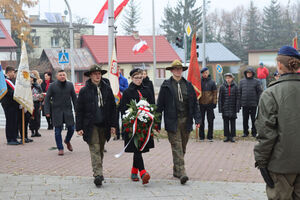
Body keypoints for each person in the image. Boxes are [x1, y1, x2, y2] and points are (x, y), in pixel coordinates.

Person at [254, 46, 300, 199]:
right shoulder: (272, 93)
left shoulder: (271, 93)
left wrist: (261, 162)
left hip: (281, 165)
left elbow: (266, 133)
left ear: (279, 65)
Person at [157, 59, 201, 184]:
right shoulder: (166, 86)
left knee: (183, 147)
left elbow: (194, 104)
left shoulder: (188, 85)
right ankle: (182, 173)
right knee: (177, 147)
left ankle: (177, 170)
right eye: (175, 69)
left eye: (180, 69)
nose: (178, 71)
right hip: (172, 121)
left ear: (182, 70)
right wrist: (157, 123)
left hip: (186, 120)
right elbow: (160, 105)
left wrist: (197, 119)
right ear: (171, 71)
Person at [76, 64, 117, 187]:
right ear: (90, 76)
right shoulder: (84, 90)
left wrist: (114, 125)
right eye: (95, 74)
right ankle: (97, 174)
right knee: (94, 148)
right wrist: (79, 127)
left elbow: (112, 108)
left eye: (99, 74)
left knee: (100, 149)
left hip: (104, 124)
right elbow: (79, 110)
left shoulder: (107, 89)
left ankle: (98, 170)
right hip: (90, 125)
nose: (97, 76)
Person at [119, 68, 155, 185]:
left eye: (140, 78)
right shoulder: (128, 92)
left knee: (139, 148)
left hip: (145, 125)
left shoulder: (147, 90)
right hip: (133, 125)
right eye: (136, 78)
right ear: (132, 78)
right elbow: (123, 109)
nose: (139, 80)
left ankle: (134, 171)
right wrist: (129, 119)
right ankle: (143, 173)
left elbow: (152, 105)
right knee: (137, 148)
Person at [44, 70, 77, 156]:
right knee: (57, 131)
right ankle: (60, 148)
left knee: (71, 128)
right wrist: (47, 111)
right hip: (57, 111)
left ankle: (67, 140)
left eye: (63, 75)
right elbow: (47, 98)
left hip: (68, 110)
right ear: (57, 77)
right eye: (60, 75)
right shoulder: (52, 86)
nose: (62, 76)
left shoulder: (70, 85)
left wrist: (77, 110)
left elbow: (74, 98)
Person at [239, 67, 262, 137]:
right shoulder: (241, 82)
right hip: (244, 104)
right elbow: (239, 92)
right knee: (245, 119)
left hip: (253, 104)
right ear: (246, 73)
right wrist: (240, 102)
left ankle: (254, 132)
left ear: (252, 73)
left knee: (253, 119)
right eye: (247, 73)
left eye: (250, 73)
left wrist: (258, 102)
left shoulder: (257, 82)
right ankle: (245, 132)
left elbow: (259, 92)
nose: (249, 74)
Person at [218, 73, 240, 143]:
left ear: (232, 78)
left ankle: (232, 136)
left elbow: (238, 98)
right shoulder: (222, 87)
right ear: (225, 79)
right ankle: (227, 136)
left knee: (233, 123)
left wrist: (237, 107)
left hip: (233, 108)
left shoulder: (236, 87)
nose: (228, 79)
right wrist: (220, 108)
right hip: (225, 107)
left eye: (229, 78)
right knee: (226, 123)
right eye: (227, 78)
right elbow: (220, 98)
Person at [1, 66, 20, 145]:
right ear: (8, 72)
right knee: (10, 121)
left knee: (14, 121)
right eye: (13, 72)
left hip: (13, 104)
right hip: (9, 104)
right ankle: (10, 139)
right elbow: (9, 93)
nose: (14, 74)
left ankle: (14, 138)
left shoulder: (10, 81)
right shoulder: (5, 81)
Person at [198, 67, 217, 142]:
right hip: (201, 104)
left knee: (210, 121)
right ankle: (201, 136)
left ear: (208, 73)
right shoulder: (199, 82)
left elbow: (215, 93)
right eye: (203, 73)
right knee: (201, 121)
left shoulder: (212, 82)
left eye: (206, 73)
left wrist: (214, 102)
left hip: (210, 104)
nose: (204, 74)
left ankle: (210, 136)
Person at [114, 66, 128, 140]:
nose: (117, 71)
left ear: (120, 70)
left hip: (123, 101)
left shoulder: (124, 79)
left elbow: (126, 89)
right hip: (115, 101)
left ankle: (124, 134)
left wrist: (119, 87)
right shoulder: (112, 80)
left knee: (123, 118)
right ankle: (117, 135)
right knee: (115, 119)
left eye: (118, 69)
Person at [29, 72, 44, 137]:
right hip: (29, 103)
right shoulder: (26, 86)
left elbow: (41, 93)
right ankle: (32, 131)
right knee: (31, 118)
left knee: (37, 117)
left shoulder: (37, 86)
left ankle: (37, 130)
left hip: (36, 103)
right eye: (30, 78)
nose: (31, 79)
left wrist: (40, 97)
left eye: (32, 78)